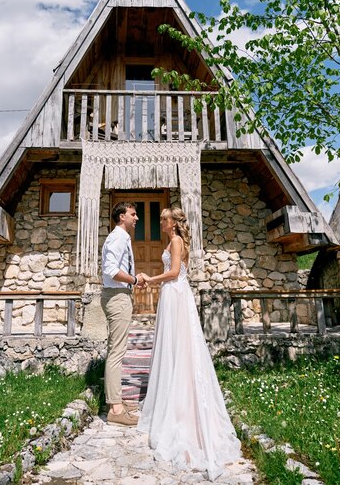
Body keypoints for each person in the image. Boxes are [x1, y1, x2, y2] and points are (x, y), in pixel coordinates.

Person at [137, 207, 241, 479]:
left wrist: (151, 279)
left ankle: (180, 410)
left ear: (173, 222)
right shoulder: (176, 241)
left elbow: (172, 273)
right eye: (160, 218)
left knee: (178, 346)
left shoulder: (175, 241)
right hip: (176, 294)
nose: (161, 221)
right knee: (178, 347)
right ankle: (176, 395)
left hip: (174, 292)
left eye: (163, 218)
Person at [101, 201, 147, 426]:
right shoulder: (118, 238)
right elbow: (111, 270)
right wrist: (135, 279)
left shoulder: (121, 237)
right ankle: (115, 409)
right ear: (122, 217)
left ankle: (117, 401)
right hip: (117, 296)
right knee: (117, 351)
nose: (136, 218)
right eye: (133, 214)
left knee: (117, 349)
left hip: (119, 295)